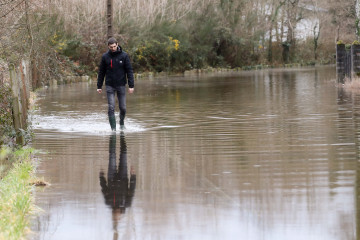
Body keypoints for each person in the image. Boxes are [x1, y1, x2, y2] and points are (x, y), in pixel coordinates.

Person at [97, 37, 134, 131]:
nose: (113, 48)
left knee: (123, 108)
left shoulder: (124, 56)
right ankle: (113, 129)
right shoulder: (105, 57)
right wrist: (99, 86)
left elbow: (129, 71)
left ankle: (121, 123)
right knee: (111, 107)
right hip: (109, 85)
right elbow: (101, 72)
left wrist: (131, 85)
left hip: (121, 84)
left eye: (114, 46)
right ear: (108, 47)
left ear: (117, 44)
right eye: (111, 47)